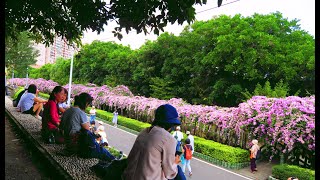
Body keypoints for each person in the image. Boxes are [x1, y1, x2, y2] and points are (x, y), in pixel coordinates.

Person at [123, 104, 184, 180]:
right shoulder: (168, 138)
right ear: (172, 124)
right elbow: (170, 173)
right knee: (178, 171)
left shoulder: (144, 132)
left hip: (127, 177)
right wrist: (175, 162)